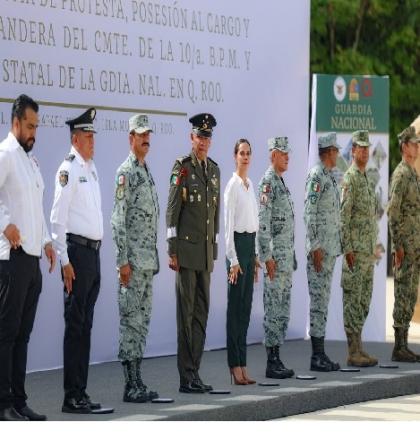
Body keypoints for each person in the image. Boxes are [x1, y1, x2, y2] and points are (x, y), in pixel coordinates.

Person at [0, 94, 55, 422]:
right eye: (30, 126)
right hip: (12, 258)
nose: (34, 132)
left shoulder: (30, 161)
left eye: (37, 127)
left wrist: (47, 242)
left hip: (32, 260)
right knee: (6, 333)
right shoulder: (5, 153)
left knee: (22, 334)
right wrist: (4, 223)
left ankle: (18, 401)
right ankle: (2, 403)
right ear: (16, 123)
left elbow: (35, 208)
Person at [50, 108, 105, 413]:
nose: (92, 140)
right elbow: (57, 219)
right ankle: (71, 395)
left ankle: (81, 392)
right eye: (87, 136)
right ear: (75, 139)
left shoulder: (91, 168)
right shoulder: (69, 170)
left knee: (85, 326)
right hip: (77, 256)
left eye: (93, 135)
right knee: (75, 326)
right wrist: (64, 261)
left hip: (92, 256)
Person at [165, 113, 220, 393]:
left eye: (207, 138)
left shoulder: (214, 170)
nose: (203, 142)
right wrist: (172, 250)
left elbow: (215, 215)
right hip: (186, 253)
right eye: (200, 137)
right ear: (192, 138)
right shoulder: (182, 169)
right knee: (185, 315)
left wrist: (215, 250)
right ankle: (186, 376)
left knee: (201, 313)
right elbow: (172, 212)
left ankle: (195, 372)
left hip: (205, 255)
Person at [110, 114, 160, 402]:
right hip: (131, 264)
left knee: (141, 323)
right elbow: (118, 220)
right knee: (129, 322)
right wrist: (122, 261)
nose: (146, 138)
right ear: (130, 138)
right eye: (141, 134)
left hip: (146, 264)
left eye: (148, 134)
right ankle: (129, 385)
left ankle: (138, 380)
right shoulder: (125, 172)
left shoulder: (146, 171)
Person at [304, 132, 342, 372]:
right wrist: (315, 246)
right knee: (318, 301)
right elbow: (309, 212)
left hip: (329, 251)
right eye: (336, 150)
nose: (338, 154)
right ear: (330, 152)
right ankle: (316, 356)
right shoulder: (317, 175)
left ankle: (320, 352)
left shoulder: (329, 176)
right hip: (320, 252)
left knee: (323, 302)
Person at [258, 137, 296, 379]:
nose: (287, 157)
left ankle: (277, 357)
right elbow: (263, 224)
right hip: (275, 261)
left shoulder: (281, 182)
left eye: (287, 153)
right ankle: (271, 362)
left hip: (285, 261)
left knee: (282, 311)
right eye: (283, 153)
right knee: (273, 310)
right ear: (273, 155)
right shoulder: (268, 183)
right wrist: (267, 256)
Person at [224, 139, 261, 385]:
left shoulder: (250, 186)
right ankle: (234, 365)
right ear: (235, 156)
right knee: (235, 311)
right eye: (241, 153)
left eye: (248, 153)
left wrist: (255, 256)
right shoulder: (232, 187)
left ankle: (244, 363)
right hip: (237, 250)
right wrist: (234, 260)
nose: (245, 157)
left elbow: (253, 223)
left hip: (249, 249)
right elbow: (228, 228)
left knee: (246, 310)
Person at [340, 130, 377, 367]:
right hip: (355, 252)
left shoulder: (367, 178)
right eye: (360, 147)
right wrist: (348, 248)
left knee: (364, 301)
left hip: (367, 252)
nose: (364, 151)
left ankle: (360, 346)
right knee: (352, 300)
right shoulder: (350, 178)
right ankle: (352, 350)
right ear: (352, 151)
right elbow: (344, 216)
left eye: (366, 147)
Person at [387, 126, 420, 362]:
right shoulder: (400, 174)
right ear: (404, 147)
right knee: (402, 294)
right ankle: (398, 346)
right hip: (404, 248)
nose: (417, 148)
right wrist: (398, 244)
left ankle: (404, 344)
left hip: (414, 247)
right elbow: (393, 212)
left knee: (410, 295)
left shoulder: (413, 173)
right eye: (414, 144)